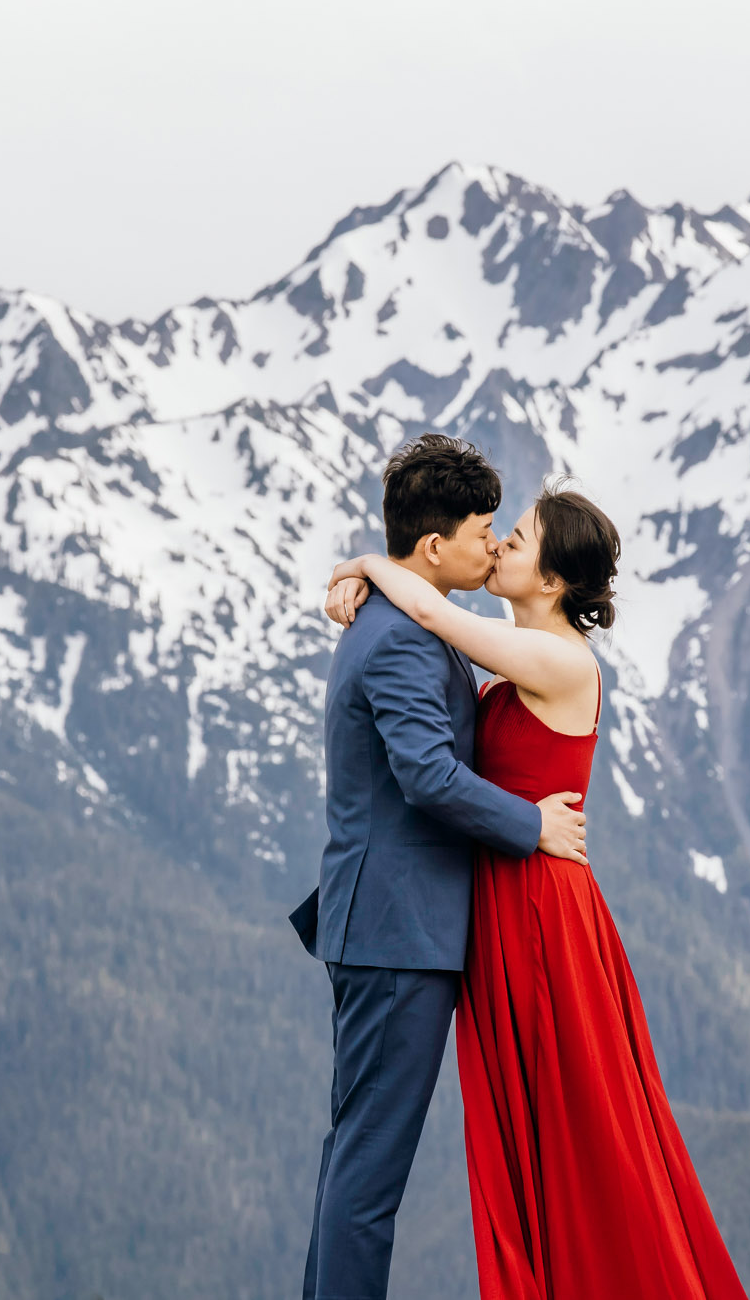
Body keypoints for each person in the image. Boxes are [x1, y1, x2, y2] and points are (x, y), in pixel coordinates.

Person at [323, 480, 750, 1300]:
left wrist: (368, 563)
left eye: (515, 539)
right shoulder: (522, 657)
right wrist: (362, 570)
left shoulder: (557, 657)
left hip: (541, 917)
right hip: (504, 910)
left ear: (551, 580)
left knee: (577, 1124)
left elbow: (441, 615)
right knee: (533, 1128)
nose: (501, 547)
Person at [290, 435, 590, 1300]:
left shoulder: (406, 619)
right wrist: (529, 825)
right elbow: (426, 776)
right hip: (397, 934)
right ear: (433, 547)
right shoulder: (401, 642)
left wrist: (359, 566)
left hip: (393, 926)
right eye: (483, 530)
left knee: (354, 1154)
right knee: (369, 1173)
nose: (492, 545)